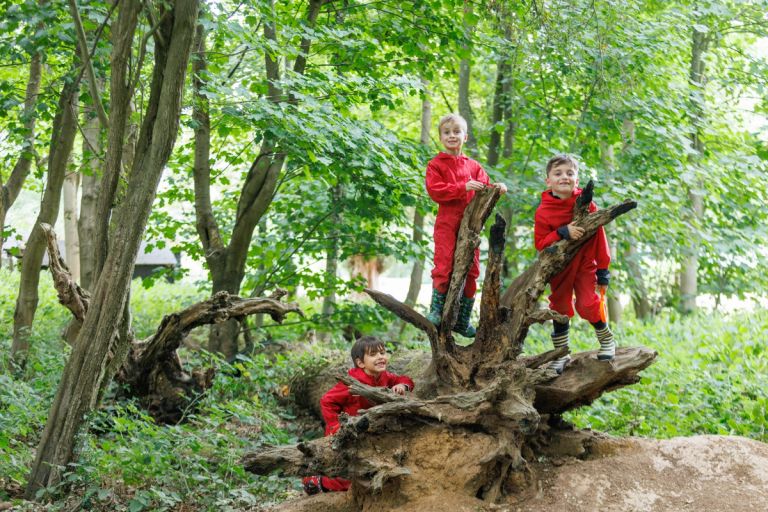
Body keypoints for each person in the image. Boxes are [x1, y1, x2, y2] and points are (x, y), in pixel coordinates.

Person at [425, 113, 507, 337]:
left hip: (471, 227)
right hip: (447, 224)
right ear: (441, 137)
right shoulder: (436, 165)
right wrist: (462, 187)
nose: (452, 136)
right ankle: (436, 311)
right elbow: (435, 190)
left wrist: (498, 187)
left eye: (456, 131)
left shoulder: (473, 166)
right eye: (447, 132)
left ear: (465, 136)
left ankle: (463, 320)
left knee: (473, 270)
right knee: (444, 265)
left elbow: (486, 186)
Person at [534, 154, 616, 374]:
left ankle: (607, 341)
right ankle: (561, 355)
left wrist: (603, 270)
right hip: (560, 267)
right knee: (560, 307)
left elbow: (600, 238)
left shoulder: (587, 205)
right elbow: (540, 243)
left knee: (587, 304)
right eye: (558, 173)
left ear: (577, 180)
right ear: (548, 181)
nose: (564, 177)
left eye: (570, 173)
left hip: (585, 264)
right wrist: (562, 232)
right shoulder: (543, 211)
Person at [302, 336, 415, 494]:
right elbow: (327, 401)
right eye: (373, 354)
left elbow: (405, 379)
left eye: (383, 353)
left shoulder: (384, 376)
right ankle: (315, 482)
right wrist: (335, 426)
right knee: (348, 476)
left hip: (369, 430)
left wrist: (402, 385)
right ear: (360, 363)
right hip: (346, 431)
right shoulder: (352, 382)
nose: (381, 357)